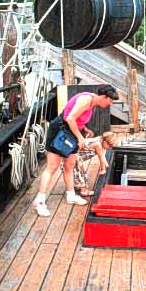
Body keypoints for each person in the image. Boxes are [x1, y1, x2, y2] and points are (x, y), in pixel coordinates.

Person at [33, 85, 119, 216]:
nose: (110, 104)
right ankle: (39, 201)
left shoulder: (92, 103)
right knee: (52, 167)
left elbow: (76, 117)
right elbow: (69, 118)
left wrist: (84, 129)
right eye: (110, 101)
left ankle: (71, 195)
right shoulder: (86, 99)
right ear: (104, 97)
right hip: (60, 131)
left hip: (71, 133)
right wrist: (80, 138)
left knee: (70, 165)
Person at [74, 131, 116, 196]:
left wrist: (107, 165)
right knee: (81, 174)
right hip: (75, 157)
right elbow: (101, 157)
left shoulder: (101, 140)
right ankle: (83, 191)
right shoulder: (98, 144)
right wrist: (103, 170)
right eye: (110, 146)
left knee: (78, 173)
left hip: (77, 157)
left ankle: (77, 186)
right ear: (105, 142)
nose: (110, 148)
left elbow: (102, 155)